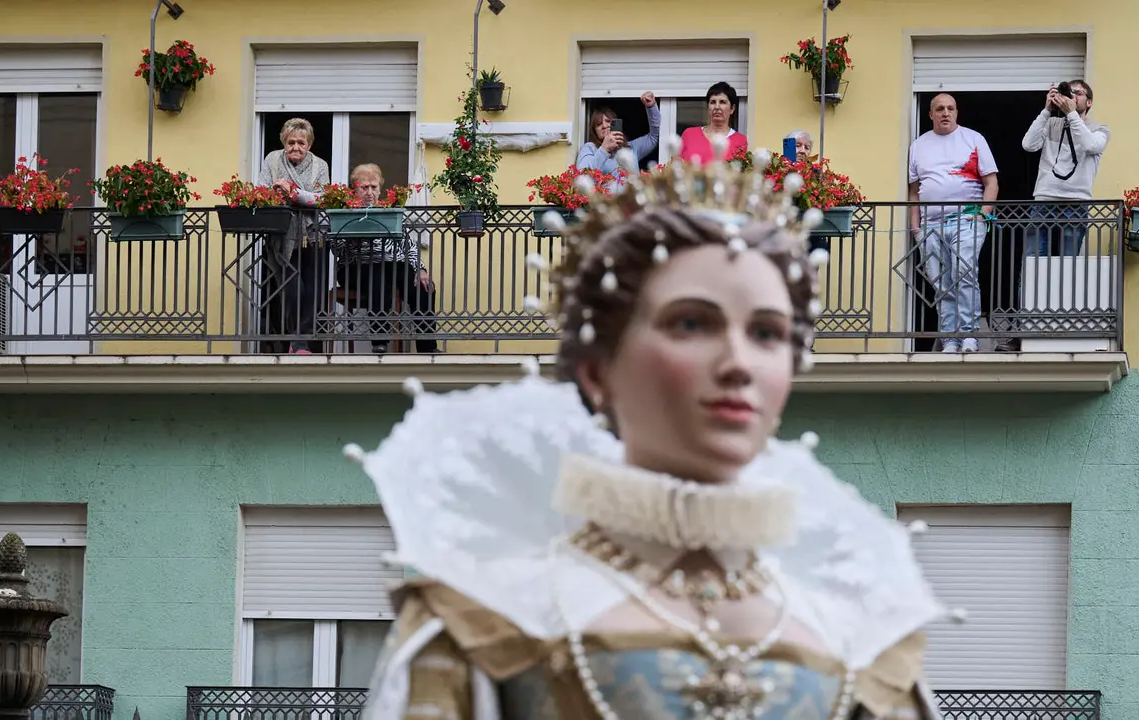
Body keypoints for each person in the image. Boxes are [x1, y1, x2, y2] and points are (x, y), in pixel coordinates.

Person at [350, 140, 950, 720]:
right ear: (596, 370)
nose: (739, 362)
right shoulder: (487, 613)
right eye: (691, 323)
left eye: (767, 332)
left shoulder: (859, 632)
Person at [998, 80, 1110, 352]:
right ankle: (1024, 332)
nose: (1072, 97)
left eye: (1079, 93)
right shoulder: (1050, 124)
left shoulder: (1098, 128)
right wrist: (1047, 110)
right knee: (1032, 267)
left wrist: (1071, 114)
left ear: (1089, 102)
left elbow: (1091, 145)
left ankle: (1060, 330)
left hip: (1075, 205)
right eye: (1068, 93)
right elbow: (1027, 144)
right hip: (1044, 202)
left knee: (1067, 269)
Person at [907, 93, 999, 353]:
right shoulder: (919, 145)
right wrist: (916, 227)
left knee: (964, 274)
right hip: (929, 226)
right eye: (940, 109)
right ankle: (950, 339)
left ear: (957, 112)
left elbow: (991, 183)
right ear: (931, 115)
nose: (945, 113)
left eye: (950, 108)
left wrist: (983, 215)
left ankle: (969, 335)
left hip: (966, 219)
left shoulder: (973, 139)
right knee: (941, 283)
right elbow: (914, 191)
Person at [330, 163, 438, 354]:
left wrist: (421, 269)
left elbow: (409, 246)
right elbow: (337, 249)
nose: (369, 192)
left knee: (421, 284)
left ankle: (427, 346)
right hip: (356, 266)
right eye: (364, 187)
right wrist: (352, 233)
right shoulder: (346, 212)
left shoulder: (389, 213)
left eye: (374, 187)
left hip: (392, 265)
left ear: (380, 189)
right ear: (355, 190)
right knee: (378, 272)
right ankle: (379, 340)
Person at [259, 117, 330, 355]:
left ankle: (300, 344)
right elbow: (262, 192)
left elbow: (323, 199)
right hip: (283, 233)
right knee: (292, 288)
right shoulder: (272, 159)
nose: (296, 147)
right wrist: (277, 192)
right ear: (283, 142)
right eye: (291, 142)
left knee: (312, 291)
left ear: (309, 145)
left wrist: (294, 192)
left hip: (314, 235)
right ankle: (294, 339)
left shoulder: (320, 165)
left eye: (301, 142)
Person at [576, 92, 661, 178]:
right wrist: (604, 149)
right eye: (598, 124)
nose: (604, 126)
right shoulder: (590, 148)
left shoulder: (631, 147)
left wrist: (651, 108)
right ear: (594, 131)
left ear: (615, 124)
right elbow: (582, 176)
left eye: (608, 121)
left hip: (632, 191)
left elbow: (654, 137)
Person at [679, 82, 749, 165]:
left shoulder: (740, 141)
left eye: (722, 102)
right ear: (708, 107)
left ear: (732, 109)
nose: (716, 107)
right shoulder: (689, 134)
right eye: (712, 102)